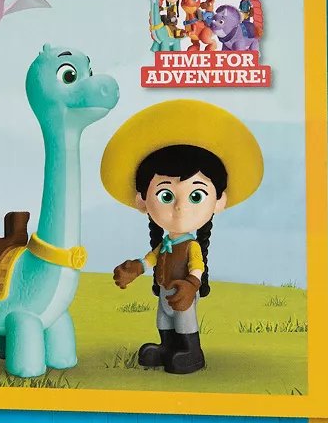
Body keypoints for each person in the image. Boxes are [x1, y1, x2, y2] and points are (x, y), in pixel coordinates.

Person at [100, 100, 264, 374]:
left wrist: (191, 285)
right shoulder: (164, 244)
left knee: (184, 320)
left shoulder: (191, 246)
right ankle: (167, 347)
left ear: (219, 201)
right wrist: (135, 268)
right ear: (142, 201)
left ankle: (191, 351)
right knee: (164, 320)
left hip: (182, 293)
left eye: (196, 195)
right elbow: (150, 259)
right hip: (165, 292)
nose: (180, 207)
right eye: (166, 195)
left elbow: (197, 268)